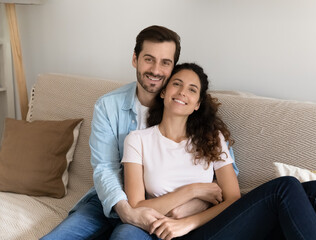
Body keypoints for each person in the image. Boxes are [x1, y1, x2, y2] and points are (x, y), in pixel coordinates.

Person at [118, 62, 316, 240]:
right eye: (177, 84)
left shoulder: (211, 138)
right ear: (163, 92)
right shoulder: (138, 140)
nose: (183, 92)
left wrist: (190, 222)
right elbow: (138, 206)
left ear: (197, 104)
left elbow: (232, 199)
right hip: (176, 235)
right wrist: (194, 190)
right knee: (284, 187)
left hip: (210, 226)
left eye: (192, 89)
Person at [41, 25, 239, 239]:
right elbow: (105, 168)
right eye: (148, 59)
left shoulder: (193, 115)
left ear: (172, 68)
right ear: (135, 59)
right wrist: (128, 211)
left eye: (165, 62)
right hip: (112, 199)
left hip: (169, 204)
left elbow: (225, 177)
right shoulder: (108, 106)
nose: (155, 70)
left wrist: (193, 203)